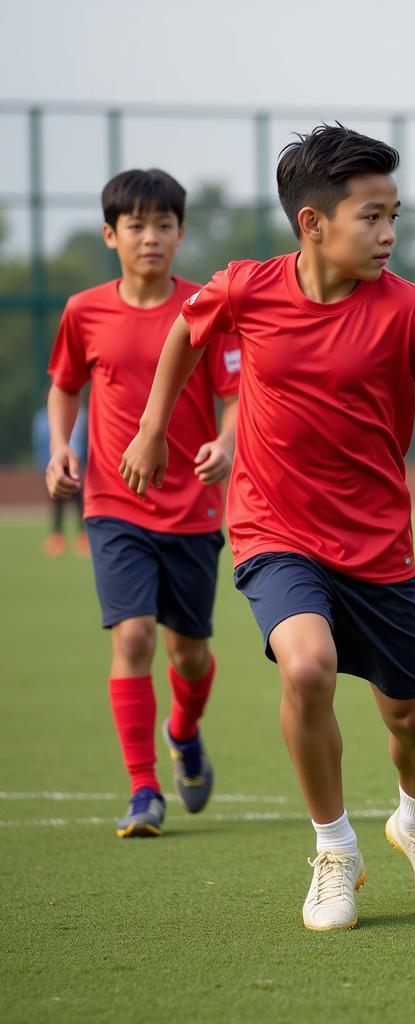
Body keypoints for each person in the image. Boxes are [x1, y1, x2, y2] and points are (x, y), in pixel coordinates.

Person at [120, 125, 415, 932]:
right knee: (307, 667)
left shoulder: (407, 309)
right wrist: (152, 425)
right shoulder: (248, 288)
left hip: (378, 545)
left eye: (395, 215)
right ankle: (333, 851)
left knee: (413, 720)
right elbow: (186, 329)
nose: (389, 234)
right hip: (272, 528)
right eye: (372, 217)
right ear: (313, 224)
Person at [45, 168, 240, 838]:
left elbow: (238, 395)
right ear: (111, 234)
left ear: (181, 234)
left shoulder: (205, 309)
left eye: (164, 225)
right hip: (114, 502)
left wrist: (224, 440)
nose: (151, 237)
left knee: (188, 653)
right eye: (137, 225)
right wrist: (61, 448)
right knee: (132, 636)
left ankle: (184, 733)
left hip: (192, 506)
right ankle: (143, 789)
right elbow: (65, 385)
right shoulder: (83, 311)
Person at [34, 396, 88, 557]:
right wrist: (44, 465)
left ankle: (82, 536)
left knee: (78, 500)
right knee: (57, 500)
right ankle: (57, 538)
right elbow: (41, 443)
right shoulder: (42, 418)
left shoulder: (81, 415)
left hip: (73, 462)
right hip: (54, 462)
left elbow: (83, 440)